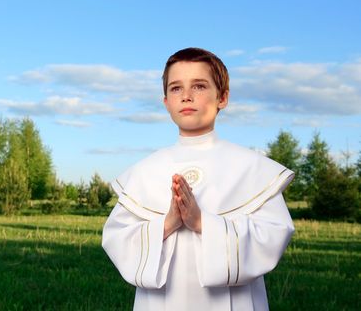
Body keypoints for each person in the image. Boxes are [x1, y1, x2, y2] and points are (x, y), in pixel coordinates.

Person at [102, 47, 295, 311]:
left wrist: (202, 222)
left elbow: (272, 236)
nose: (187, 96)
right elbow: (117, 239)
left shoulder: (251, 169)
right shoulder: (144, 172)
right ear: (166, 101)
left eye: (200, 86)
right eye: (176, 88)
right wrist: (168, 223)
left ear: (223, 97)